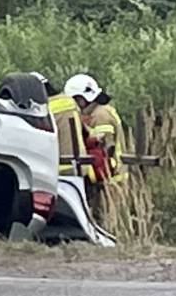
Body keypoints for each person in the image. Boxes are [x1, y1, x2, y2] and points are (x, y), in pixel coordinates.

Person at [50, 72, 125, 211]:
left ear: (81, 98)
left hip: (111, 180)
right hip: (109, 179)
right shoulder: (98, 112)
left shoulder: (100, 116)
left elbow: (106, 149)